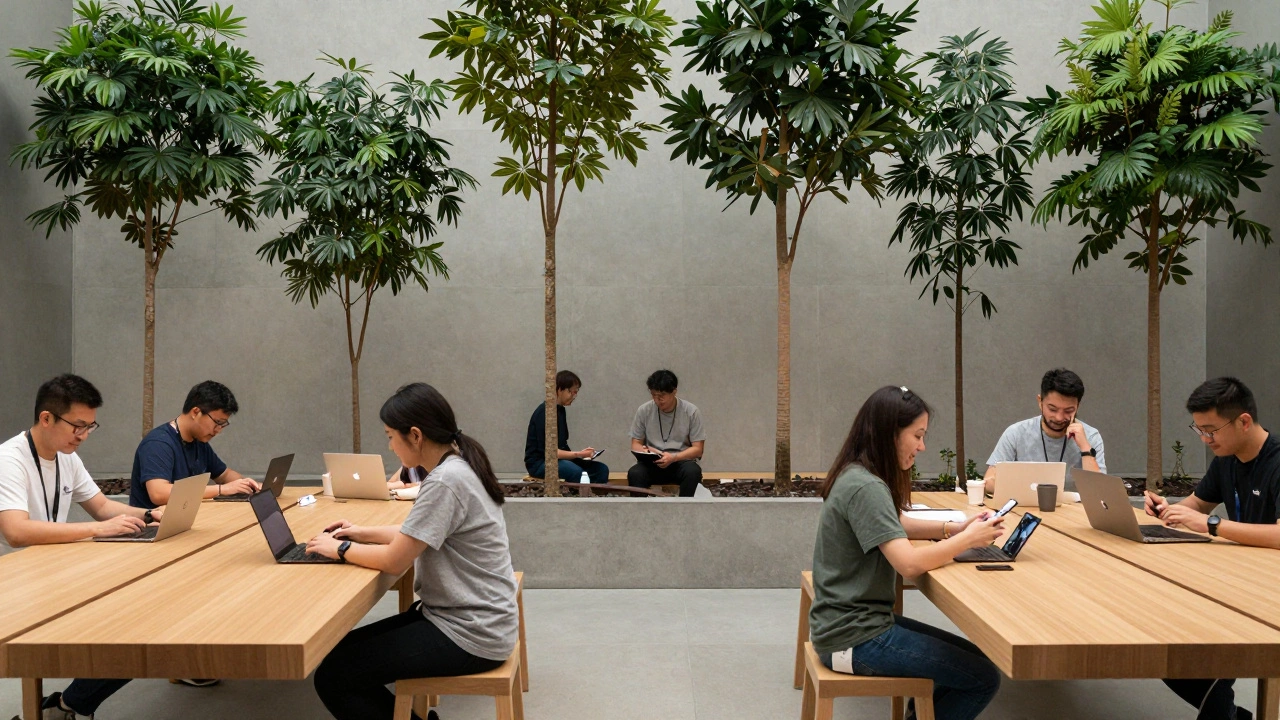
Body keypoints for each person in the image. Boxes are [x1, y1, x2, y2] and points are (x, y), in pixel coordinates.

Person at [308, 383, 519, 720]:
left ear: (416, 436)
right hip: (471, 618)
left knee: (336, 676)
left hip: (470, 631)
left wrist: (342, 549)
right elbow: (418, 534)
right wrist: (360, 532)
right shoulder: (458, 466)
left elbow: (395, 560)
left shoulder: (445, 481)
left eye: (391, 436)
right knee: (337, 653)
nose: (390, 446)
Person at [810, 385, 1004, 720]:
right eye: (917, 435)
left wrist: (953, 529)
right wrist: (968, 540)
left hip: (848, 624)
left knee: (979, 662)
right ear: (890, 433)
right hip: (854, 638)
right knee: (982, 678)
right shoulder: (867, 487)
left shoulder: (857, 474)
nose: (922, 446)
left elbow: (895, 522)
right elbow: (908, 564)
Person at [0, 375, 166, 720]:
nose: (84, 435)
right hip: (17, 585)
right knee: (131, 632)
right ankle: (65, 707)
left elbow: (103, 506)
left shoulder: (66, 457)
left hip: (58, 571)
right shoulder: (9, 459)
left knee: (146, 620)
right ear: (46, 418)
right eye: (78, 426)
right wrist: (99, 529)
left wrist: (150, 515)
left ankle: (66, 707)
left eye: (91, 426)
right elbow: (15, 532)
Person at [1145, 377, 1278, 720]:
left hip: (1270, 590)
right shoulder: (1227, 459)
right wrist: (1166, 509)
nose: (1205, 439)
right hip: (1238, 579)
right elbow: (1196, 507)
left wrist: (1214, 526)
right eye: (1199, 429)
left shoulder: (1277, 462)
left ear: (1244, 421)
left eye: (1211, 430)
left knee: (1199, 661)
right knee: (1169, 652)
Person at [128, 380, 259, 509]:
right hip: (153, 526)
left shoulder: (199, 441)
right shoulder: (158, 443)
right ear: (196, 412)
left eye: (223, 425)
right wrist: (221, 489)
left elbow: (224, 475)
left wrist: (251, 485)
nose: (218, 430)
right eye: (217, 422)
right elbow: (159, 493)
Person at [984, 368, 1105, 494]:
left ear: (1077, 407)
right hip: (1027, 509)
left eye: (1068, 411)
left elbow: (1099, 493)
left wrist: (1085, 448)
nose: (1059, 417)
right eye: (1052, 409)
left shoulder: (1091, 437)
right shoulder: (1016, 433)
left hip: (1074, 512)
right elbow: (988, 483)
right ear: (1040, 402)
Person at [627, 369, 705, 497]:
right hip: (652, 462)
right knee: (635, 473)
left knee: (693, 472)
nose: (658, 400)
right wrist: (648, 452)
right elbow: (635, 443)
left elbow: (698, 449)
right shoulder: (644, 410)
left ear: (674, 391)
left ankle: (686, 512)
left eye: (662, 395)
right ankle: (639, 514)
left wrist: (673, 457)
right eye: (654, 395)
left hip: (680, 461)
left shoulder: (691, 411)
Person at [523, 370, 609, 484]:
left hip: (560, 459)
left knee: (601, 470)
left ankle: (593, 497)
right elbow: (550, 452)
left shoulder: (561, 411)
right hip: (540, 463)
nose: (574, 396)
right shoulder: (544, 412)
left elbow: (562, 445)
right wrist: (579, 454)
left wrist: (581, 455)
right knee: (575, 472)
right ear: (559, 390)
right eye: (571, 391)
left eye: (576, 392)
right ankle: (579, 497)